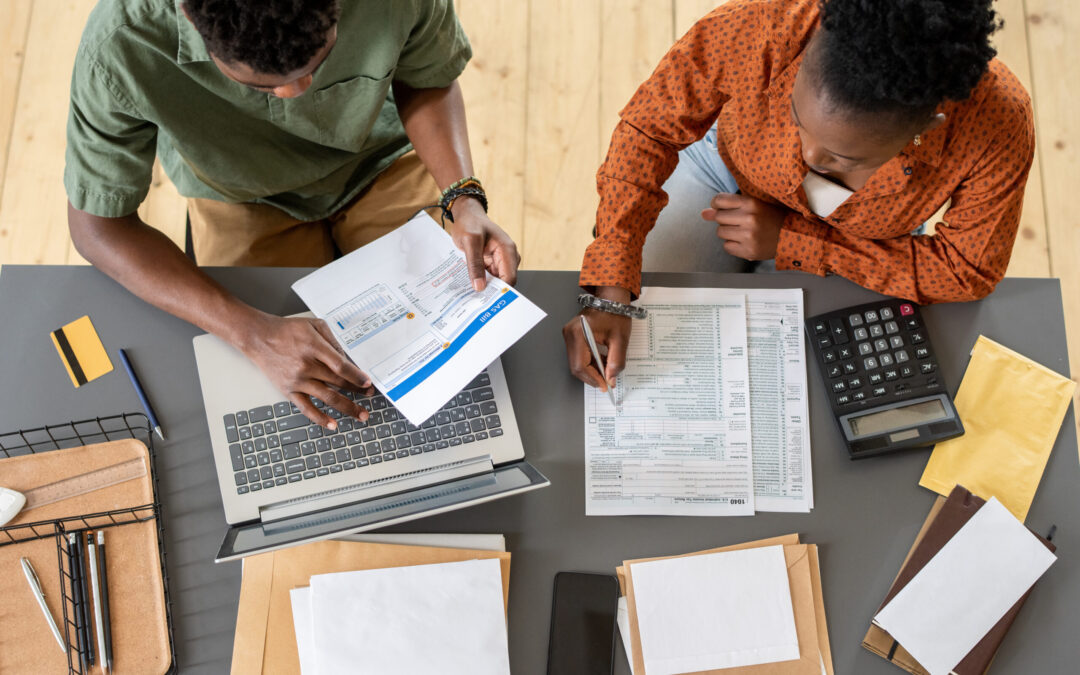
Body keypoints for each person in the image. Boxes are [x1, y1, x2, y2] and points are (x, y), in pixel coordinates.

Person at [65, 0, 519, 428]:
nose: (295, 93)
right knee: (276, 391)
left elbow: (426, 77)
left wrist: (463, 197)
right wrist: (251, 333)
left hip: (378, 160)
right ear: (190, 19)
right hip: (239, 195)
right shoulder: (121, 43)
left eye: (319, 64)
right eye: (261, 86)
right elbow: (97, 229)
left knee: (465, 362)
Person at [564, 0, 1034, 392]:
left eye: (840, 157)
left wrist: (792, 244)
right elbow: (650, 129)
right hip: (721, 175)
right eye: (795, 114)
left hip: (864, 246)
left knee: (809, 387)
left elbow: (966, 269)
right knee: (650, 335)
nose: (807, 155)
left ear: (923, 127)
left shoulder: (997, 121)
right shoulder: (765, 23)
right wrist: (611, 285)